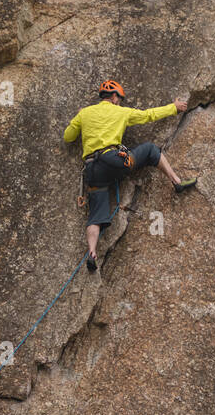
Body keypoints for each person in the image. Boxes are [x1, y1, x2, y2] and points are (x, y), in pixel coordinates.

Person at [63, 79, 197, 271]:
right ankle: (176, 181)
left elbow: (68, 137)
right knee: (150, 150)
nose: (119, 102)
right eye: (119, 98)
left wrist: (78, 118)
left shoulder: (85, 113)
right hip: (114, 160)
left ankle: (92, 253)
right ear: (114, 96)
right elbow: (148, 115)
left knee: (95, 215)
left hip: (93, 169)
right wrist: (173, 108)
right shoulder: (121, 112)